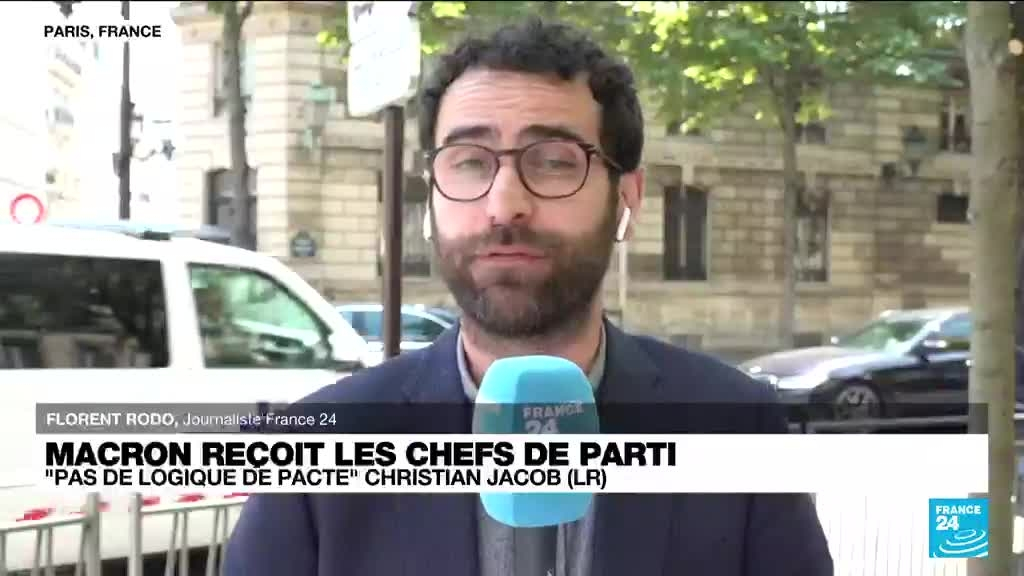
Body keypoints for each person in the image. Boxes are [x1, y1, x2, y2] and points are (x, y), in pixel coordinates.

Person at [224, 18, 833, 576]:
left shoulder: (737, 425)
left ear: (627, 197)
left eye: (554, 162)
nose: (504, 205)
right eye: (469, 162)